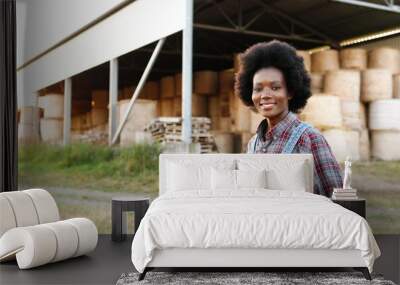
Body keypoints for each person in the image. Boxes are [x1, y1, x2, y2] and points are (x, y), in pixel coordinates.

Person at [235, 40, 342, 197]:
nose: (264, 95)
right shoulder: (253, 144)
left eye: (275, 87)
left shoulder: (310, 138)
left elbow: (337, 196)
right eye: (258, 89)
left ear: (290, 92)